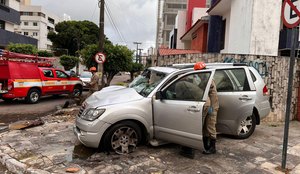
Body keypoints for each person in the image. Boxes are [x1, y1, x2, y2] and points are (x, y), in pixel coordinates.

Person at [179, 62, 219, 158]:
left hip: (212, 107)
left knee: (210, 126)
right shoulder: (205, 78)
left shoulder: (208, 79)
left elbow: (200, 91)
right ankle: (206, 146)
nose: (198, 74)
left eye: (198, 72)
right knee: (205, 128)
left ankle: (212, 147)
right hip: (208, 106)